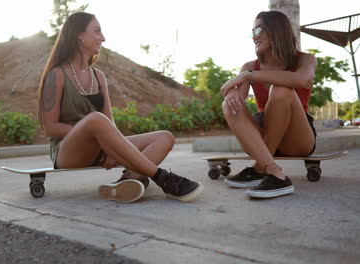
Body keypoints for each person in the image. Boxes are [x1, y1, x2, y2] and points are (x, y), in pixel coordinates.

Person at [37, 12, 203, 203]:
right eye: (97, 31)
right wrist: (100, 137)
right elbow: (50, 126)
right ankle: (163, 178)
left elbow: (109, 123)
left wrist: (110, 144)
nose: (103, 38)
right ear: (79, 35)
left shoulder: (98, 76)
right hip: (67, 151)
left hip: (99, 146)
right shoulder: (57, 74)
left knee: (164, 137)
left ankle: (127, 182)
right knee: (96, 120)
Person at [220, 11, 317, 198]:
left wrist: (248, 76)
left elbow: (301, 80)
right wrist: (231, 91)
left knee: (281, 89)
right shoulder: (249, 65)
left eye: (259, 29)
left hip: (296, 138)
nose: (254, 36)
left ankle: (260, 167)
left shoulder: (305, 59)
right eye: (252, 31)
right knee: (229, 105)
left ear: (276, 30)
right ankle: (272, 170)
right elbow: (237, 104)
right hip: (263, 136)